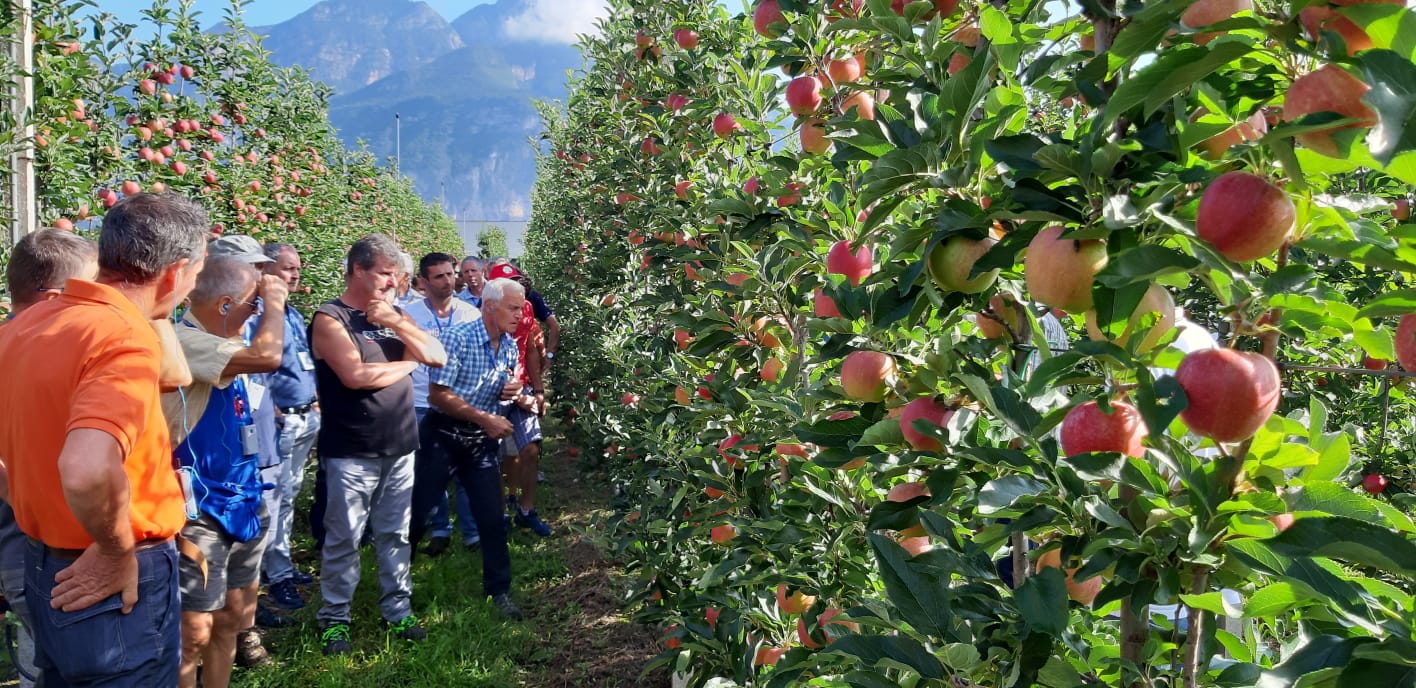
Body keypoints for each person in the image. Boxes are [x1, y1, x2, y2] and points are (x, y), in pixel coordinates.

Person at [0, 193, 206, 686]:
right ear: (175, 272)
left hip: (44, 561)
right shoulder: (122, 336)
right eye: (197, 274)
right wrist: (115, 550)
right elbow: (87, 467)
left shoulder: (27, 325)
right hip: (108, 578)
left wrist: (24, 497)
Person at [311, 234, 447, 655]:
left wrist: (397, 323)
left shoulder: (394, 315)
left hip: (401, 444)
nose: (393, 282)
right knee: (344, 537)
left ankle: (398, 611)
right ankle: (334, 620)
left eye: (397, 275)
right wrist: (408, 363)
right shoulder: (330, 319)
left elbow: (437, 355)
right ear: (357, 269)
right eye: (385, 273)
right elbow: (356, 377)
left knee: (394, 533)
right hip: (352, 449)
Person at [161, 255, 287, 688]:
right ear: (224, 304)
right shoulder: (186, 340)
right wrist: (275, 303)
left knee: (233, 615)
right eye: (252, 305)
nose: (257, 312)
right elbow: (268, 356)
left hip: (243, 496)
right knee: (192, 631)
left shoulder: (228, 345)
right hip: (198, 507)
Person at [0, 228, 99, 688]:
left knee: (38, 655)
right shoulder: (51, 355)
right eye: (90, 289)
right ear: (57, 297)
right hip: (38, 546)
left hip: (24, 549)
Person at [427, 277, 528, 620]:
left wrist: (512, 391)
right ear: (489, 306)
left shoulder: (510, 346)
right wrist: (485, 418)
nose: (519, 315)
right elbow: (438, 394)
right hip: (443, 434)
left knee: (492, 518)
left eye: (522, 308)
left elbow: (504, 387)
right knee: (416, 511)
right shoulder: (458, 338)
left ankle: (498, 591)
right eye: (513, 308)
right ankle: (396, 593)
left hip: (479, 442)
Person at [403, 253, 483, 556]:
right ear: (423, 281)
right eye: (439, 276)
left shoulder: (468, 314)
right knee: (428, 472)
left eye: (450, 274)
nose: (447, 281)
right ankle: (439, 530)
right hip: (421, 401)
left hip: (461, 401)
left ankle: (472, 533)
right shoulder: (408, 314)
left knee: (465, 469)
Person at [256, 242, 321, 614]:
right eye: (286, 269)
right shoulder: (260, 315)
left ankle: (280, 565)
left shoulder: (292, 314)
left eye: (297, 268)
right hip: (280, 422)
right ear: (265, 271)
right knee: (272, 498)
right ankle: (272, 576)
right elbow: (255, 363)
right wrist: (272, 405)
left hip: (304, 415)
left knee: (288, 494)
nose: (294, 275)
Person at [485, 264, 553, 537]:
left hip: (522, 386)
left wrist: (537, 390)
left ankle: (526, 510)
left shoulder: (525, 311)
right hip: (493, 390)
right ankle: (500, 512)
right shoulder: (479, 316)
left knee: (531, 449)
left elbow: (531, 352)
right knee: (495, 455)